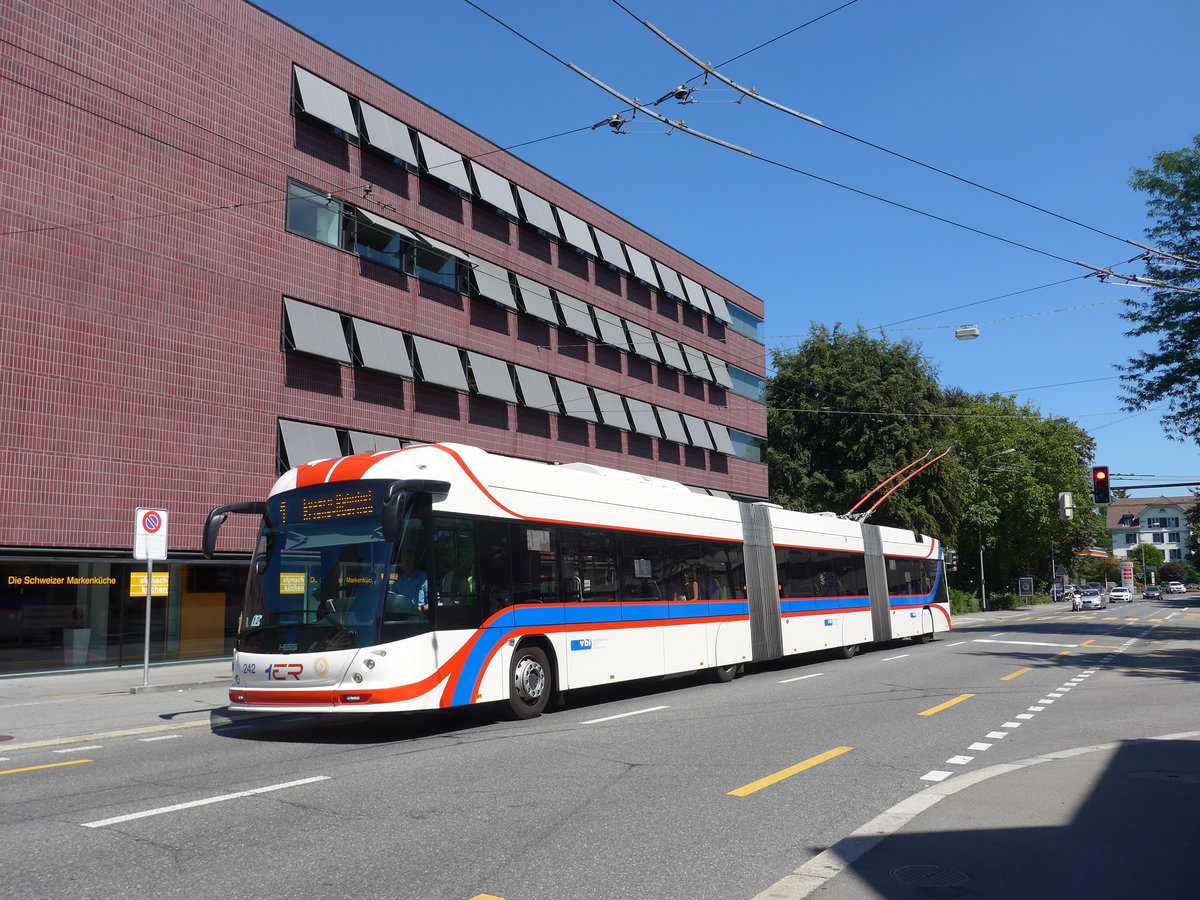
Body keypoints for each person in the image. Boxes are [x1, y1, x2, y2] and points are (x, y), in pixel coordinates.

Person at [390, 546, 428, 614]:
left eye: (410, 560)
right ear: (401, 564)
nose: (407, 563)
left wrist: (418, 610)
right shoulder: (398, 583)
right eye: (405, 560)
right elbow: (391, 603)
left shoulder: (424, 578)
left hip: (421, 617)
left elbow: (433, 603)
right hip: (402, 616)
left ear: (415, 562)